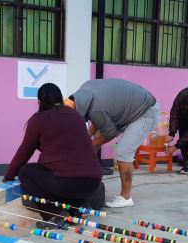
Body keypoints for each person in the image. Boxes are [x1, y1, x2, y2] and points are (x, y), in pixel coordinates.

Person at [3, 83, 102, 229]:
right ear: (61, 99)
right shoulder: (75, 115)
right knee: (57, 179)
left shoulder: (38, 120)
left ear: (39, 103)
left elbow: (24, 153)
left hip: (67, 182)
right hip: (93, 182)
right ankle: (78, 208)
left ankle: (53, 213)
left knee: (26, 172)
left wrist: (8, 176)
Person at [67, 78, 160, 208]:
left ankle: (125, 197)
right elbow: (96, 118)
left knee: (123, 152)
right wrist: (88, 137)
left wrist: (91, 145)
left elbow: (110, 132)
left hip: (146, 112)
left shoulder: (96, 110)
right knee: (94, 140)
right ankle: (88, 176)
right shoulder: (85, 89)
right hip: (135, 104)